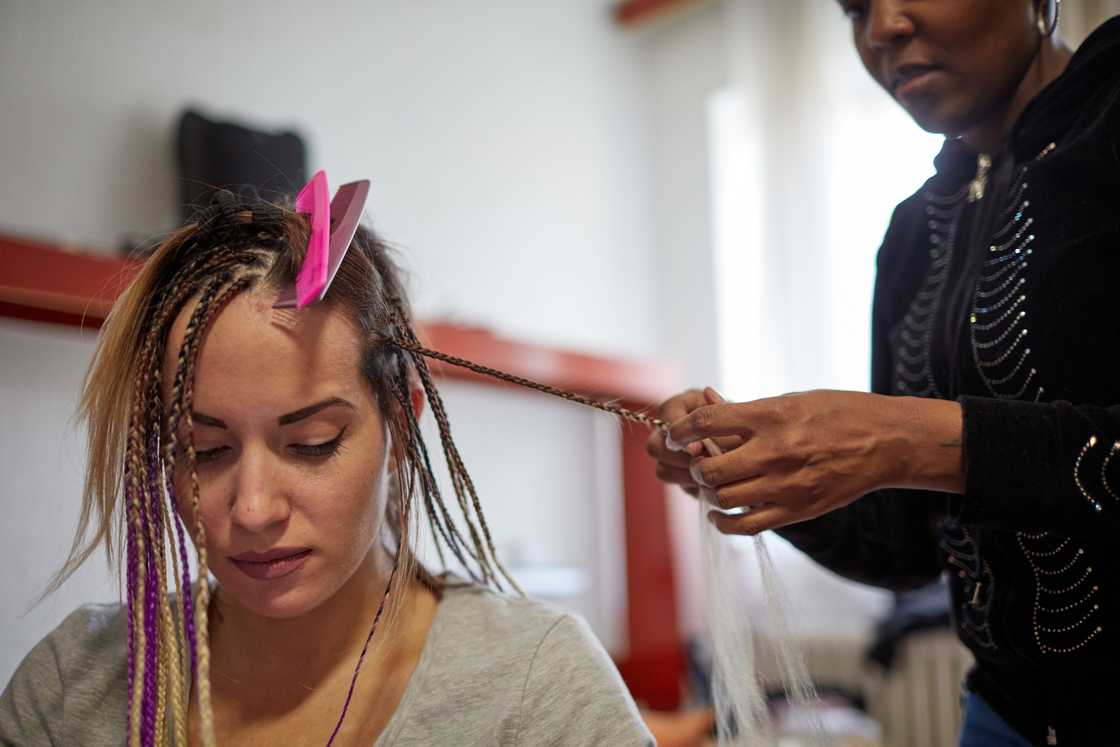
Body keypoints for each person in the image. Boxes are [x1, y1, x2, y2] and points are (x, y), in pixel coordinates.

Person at [0, 188, 653, 746]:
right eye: (204, 451)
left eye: (312, 442)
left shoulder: (536, 689)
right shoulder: (72, 686)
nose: (253, 508)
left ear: (400, 424)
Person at [646, 2, 1120, 745]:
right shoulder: (912, 237)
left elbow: (915, 449)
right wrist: (762, 465)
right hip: (1004, 716)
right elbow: (904, 545)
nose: (881, 29)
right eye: (856, 7)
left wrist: (906, 439)